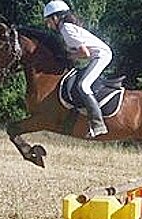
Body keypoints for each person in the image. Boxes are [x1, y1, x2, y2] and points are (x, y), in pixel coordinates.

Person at [43, 0, 112, 138]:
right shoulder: (66, 28)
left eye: (49, 20)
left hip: (101, 56)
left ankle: (98, 124)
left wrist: (70, 56)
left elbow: (84, 53)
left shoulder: (66, 30)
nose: (48, 24)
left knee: (83, 85)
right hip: (96, 56)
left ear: (56, 18)